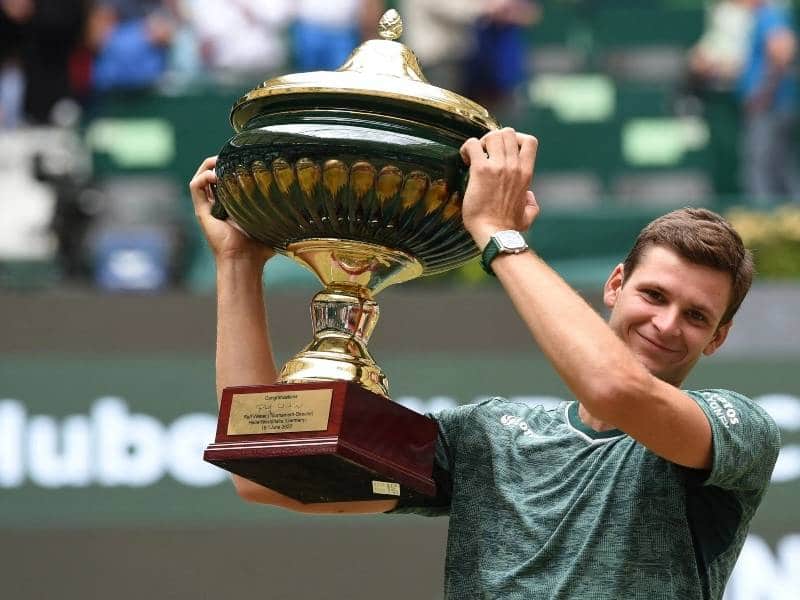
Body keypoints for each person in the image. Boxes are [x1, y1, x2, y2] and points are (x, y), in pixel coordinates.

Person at [189, 127, 780, 599]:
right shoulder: (490, 436)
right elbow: (264, 468)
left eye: (697, 317)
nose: (667, 324)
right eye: (653, 296)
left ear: (719, 338)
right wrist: (238, 262)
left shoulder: (738, 430)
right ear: (615, 285)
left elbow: (614, 391)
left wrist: (499, 235)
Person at [736, 0, 800, 203]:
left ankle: (766, 222)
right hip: (774, 106)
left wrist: (764, 94)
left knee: (764, 166)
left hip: (771, 107)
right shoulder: (765, 15)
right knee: (777, 165)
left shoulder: (769, 14)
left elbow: (783, 49)